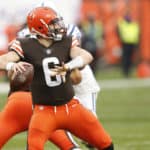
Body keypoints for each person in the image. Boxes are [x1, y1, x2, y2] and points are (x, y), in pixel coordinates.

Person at [0, 7, 114, 150]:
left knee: (105, 143)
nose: (58, 27)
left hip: (70, 107)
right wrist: (11, 65)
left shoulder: (66, 42)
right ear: (40, 27)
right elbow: (4, 60)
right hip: (44, 110)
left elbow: (86, 56)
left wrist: (69, 66)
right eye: (53, 23)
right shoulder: (24, 45)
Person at [117, 11, 140, 77]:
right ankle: (125, 71)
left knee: (130, 59)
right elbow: (118, 29)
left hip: (132, 43)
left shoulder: (134, 24)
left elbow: (137, 34)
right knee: (125, 58)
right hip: (125, 44)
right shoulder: (122, 24)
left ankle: (129, 71)